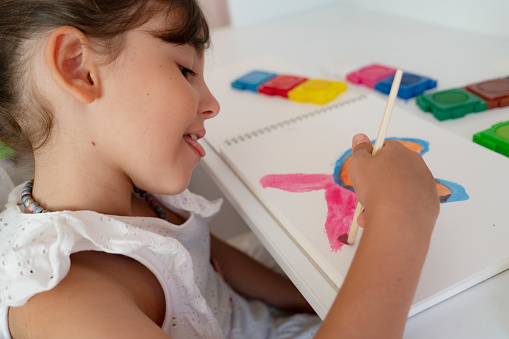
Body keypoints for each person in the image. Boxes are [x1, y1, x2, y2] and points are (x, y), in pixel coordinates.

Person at [0, 1, 440, 338]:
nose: (212, 104)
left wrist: (313, 299)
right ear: (78, 65)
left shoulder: (129, 196)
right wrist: (402, 215)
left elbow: (198, 254)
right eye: (185, 69)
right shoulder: (61, 304)